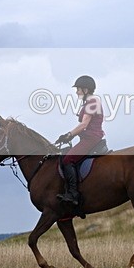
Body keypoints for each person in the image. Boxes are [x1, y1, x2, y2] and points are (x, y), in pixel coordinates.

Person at [54, 75, 105, 206]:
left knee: (67, 160)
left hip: (91, 139)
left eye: (78, 89)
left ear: (86, 90)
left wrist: (68, 135)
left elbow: (84, 125)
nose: (76, 92)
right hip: (88, 138)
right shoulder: (89, 103)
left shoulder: (92, 103)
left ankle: (73, 194)